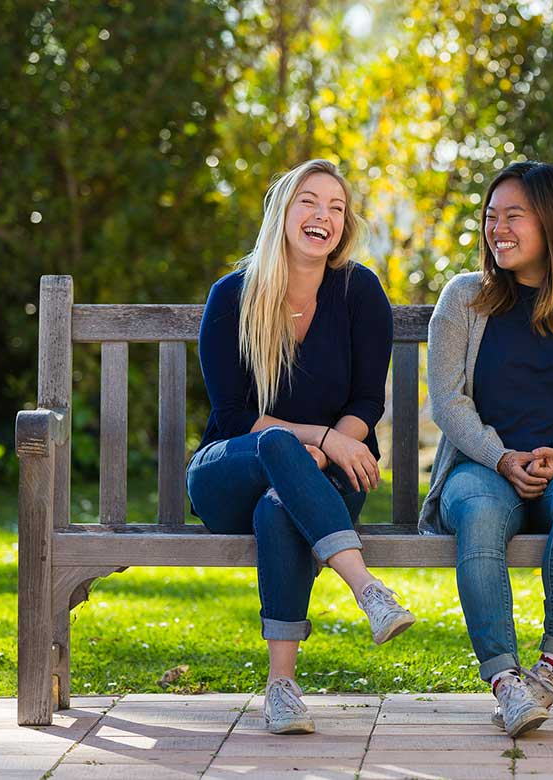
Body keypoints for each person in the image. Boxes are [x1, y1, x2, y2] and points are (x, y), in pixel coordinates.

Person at [187, 159, 415, 736]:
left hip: (326, 480)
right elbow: (237, 416)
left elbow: (368, 402)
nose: (324, 216)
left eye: (336, 208)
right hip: (230, 469)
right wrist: (320, 440)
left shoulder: (358, 291)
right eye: (310, 202)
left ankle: (282, 689)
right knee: (279, 449)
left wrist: (327, 449)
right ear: (282, 212)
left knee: (279, 505)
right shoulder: (233, 296)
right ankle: (368, 590)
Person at [419, 161, 553, 737]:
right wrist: (501, 457)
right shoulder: (465, 298)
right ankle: (506, 683)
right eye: (491, 217)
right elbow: (448, 401)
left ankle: (552, 667)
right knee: (479, 509)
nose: (498, 229)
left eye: (514, 216)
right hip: (481, 468)